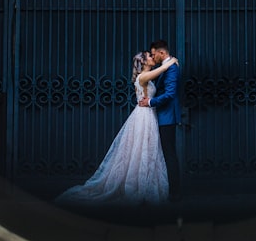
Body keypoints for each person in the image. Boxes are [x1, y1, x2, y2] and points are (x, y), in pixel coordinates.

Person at [55, 50, 175, 206]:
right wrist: (170, 62)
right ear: (144, 62)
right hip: (144, 115)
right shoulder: (143, 76)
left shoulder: (145, 76)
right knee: (142, 147)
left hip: (146, 114)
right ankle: (139, 185)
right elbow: (163, 70)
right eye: (149, 57)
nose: (153, 58)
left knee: (145, 148)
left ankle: (143, 182)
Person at [138, 39, 181, 202]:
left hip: (167, 116)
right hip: (161, 115)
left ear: (162, 53)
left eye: (154, 54)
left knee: (169, 153)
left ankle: (175, 193)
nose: (153, 57)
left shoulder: (171, 69)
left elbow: (170, 94)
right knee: (165, 153)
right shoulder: (165, 67)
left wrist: (150, 102)